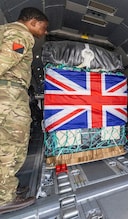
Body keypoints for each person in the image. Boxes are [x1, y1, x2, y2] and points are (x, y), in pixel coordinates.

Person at [0, 7, 48, 214]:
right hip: (9, 96)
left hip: (9, 94)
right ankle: (4, 198)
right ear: (34, 22)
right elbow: (3, 61)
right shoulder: (20, 34)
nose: (44, 32)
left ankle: (7, 187)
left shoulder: (5, 30)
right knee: (11, 146)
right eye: (44, 28)